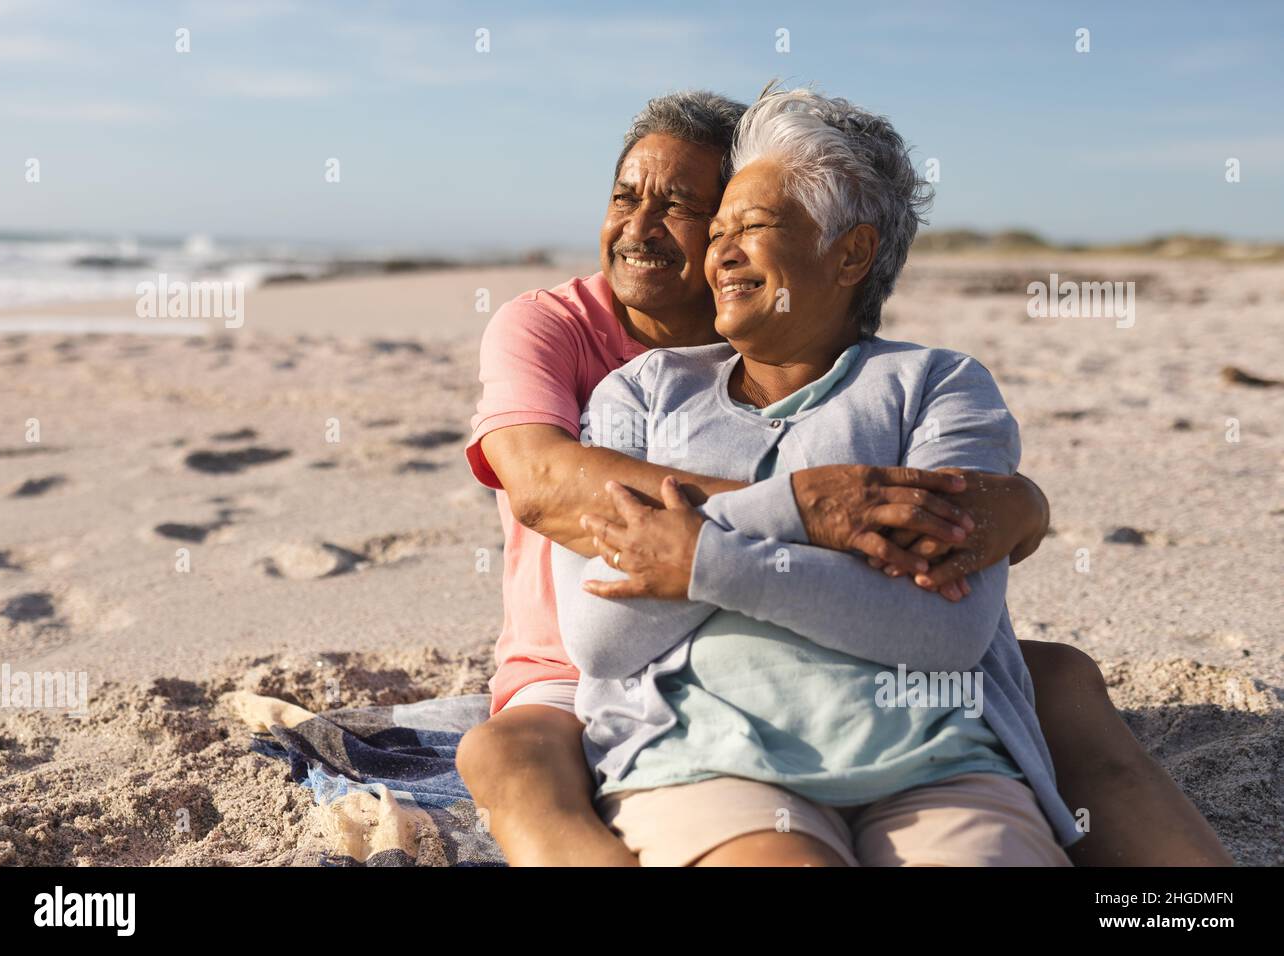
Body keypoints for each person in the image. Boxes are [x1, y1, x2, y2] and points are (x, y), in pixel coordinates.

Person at [457, 90, 1233, 867]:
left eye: (707, 212)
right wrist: (805, 509)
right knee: (509, 759)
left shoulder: (922, 378)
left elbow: (945, 625)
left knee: (1061, 684)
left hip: (898, 715)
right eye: (625, 197)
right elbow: (545, 490)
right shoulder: (587, 352)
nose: (645, 228)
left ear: (848, 252)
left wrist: (1023, 506)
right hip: (598, 674)